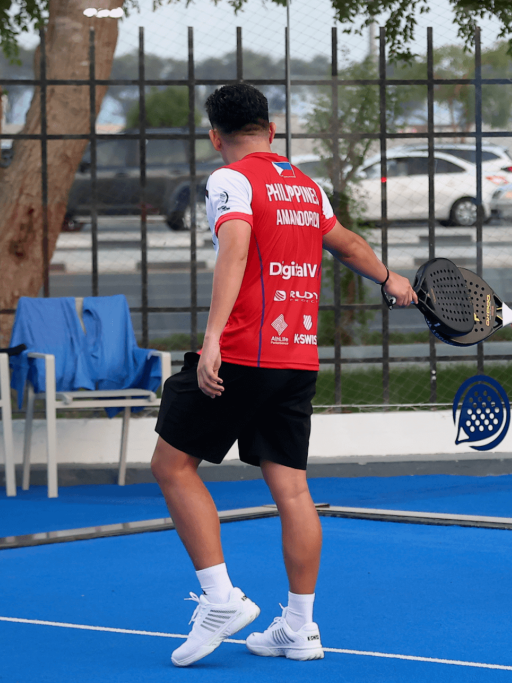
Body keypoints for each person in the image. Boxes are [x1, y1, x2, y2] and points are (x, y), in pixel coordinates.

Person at [151, 83, 417, 666]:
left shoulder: (230, 179)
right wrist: (390, 278)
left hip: (242, 352)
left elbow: (235, 248)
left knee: (170, 465)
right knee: (293, 490)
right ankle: (299, 627)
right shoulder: (306, 186)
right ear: (272, 130)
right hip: (295, 358)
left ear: (215, 136)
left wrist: (212, 338)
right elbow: (347, 245)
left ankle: (221, 598)